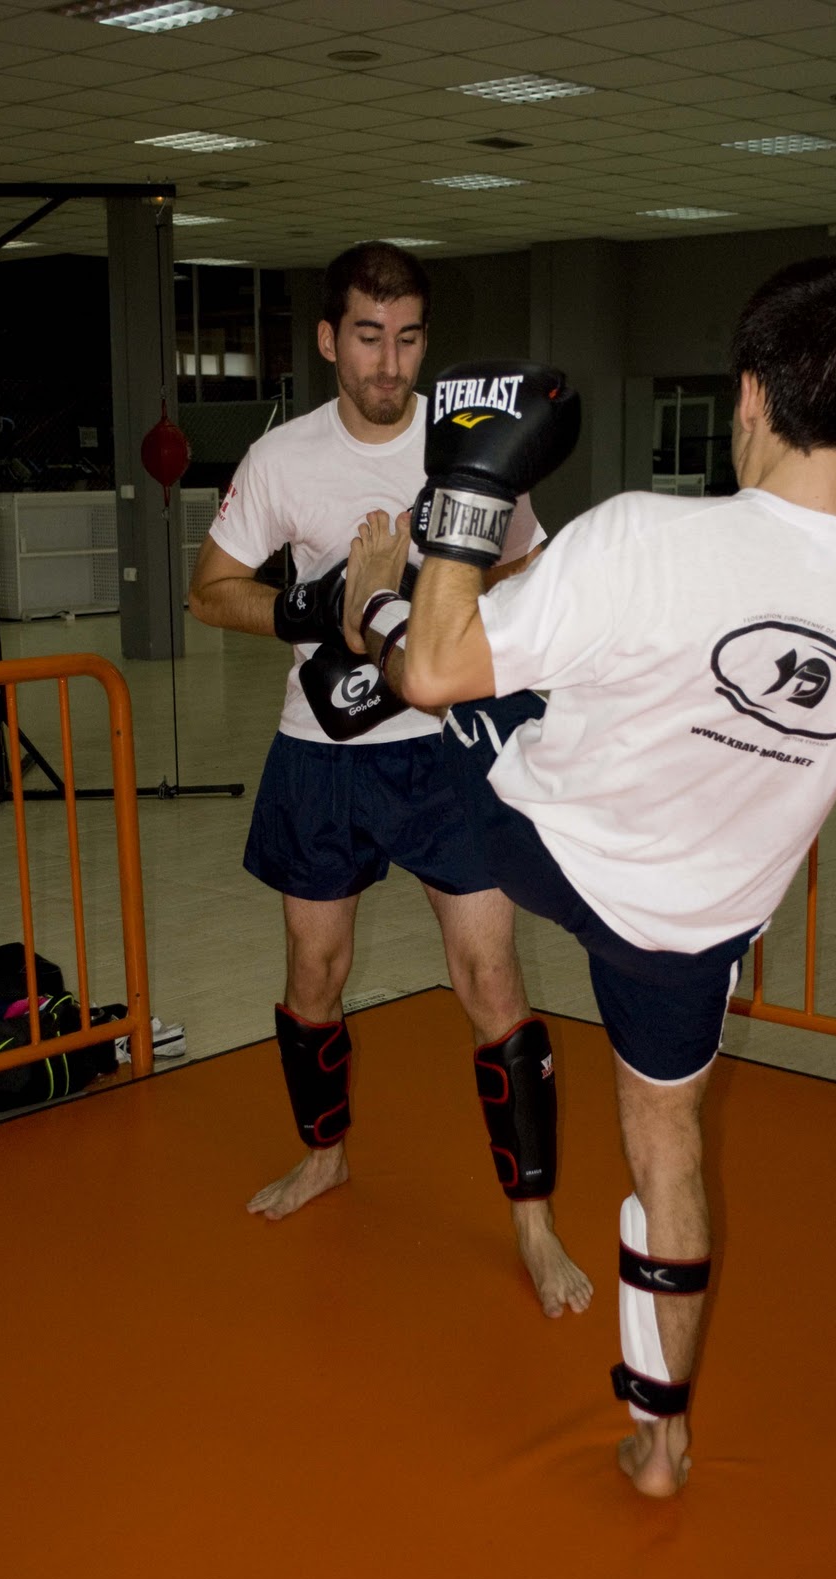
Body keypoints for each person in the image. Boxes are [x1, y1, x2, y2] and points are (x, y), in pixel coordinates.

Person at [342, 256, 836, 1495]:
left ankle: (361, 620)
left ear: (749, 392)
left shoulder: (642, 536)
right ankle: (661, 1441)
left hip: (546, 844)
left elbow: (444, 675)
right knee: (668, 1142)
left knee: (432, 675)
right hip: (698, 927)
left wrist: (455, 510)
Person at [187, 242, 591, 1319]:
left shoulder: (471, 448)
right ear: (329, 339)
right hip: (320, 755)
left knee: (490, 980)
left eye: (408, 338)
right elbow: (211, 589)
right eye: (368, 336)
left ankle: (534, 1221)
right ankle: (324, 1155)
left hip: (443, 750)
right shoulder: (282, 459)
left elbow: (528, 566)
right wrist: (322, 607)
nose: (389, 362)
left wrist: (444, 609)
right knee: (313, 976)